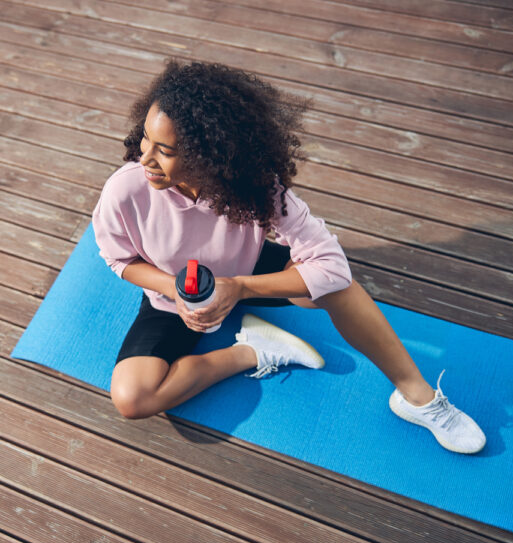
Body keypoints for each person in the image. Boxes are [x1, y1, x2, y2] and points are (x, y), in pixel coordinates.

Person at [93, 60, 486, 454]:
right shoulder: (125, 191)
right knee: (132, 400)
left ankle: (417, 397)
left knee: (337, 287)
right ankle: (253, 351)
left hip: (244, 272)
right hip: (174, 299)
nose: (145, 158)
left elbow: (333, 267)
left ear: (206, 154)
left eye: (164, 150)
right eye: (145, 140)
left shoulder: (252, 187)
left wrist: (240, 288)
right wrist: (174, 290)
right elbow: (118, 258)